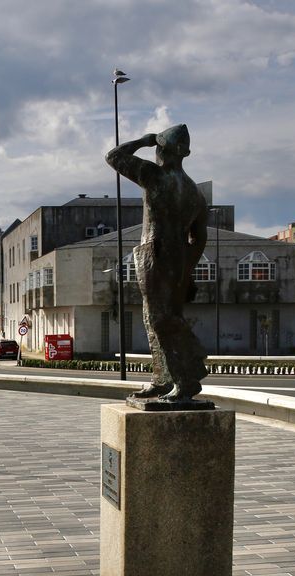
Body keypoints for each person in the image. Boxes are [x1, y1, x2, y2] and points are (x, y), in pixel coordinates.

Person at [105, 123, 209, 404]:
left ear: (162, 150)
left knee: (160, 318)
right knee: (155, 316)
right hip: (178, 255)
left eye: (158, 148)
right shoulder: (195, 193)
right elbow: (199, 238)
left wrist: (144, 140)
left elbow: (113, 156)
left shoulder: (154, 175)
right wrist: (187, 267)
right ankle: (163, 379)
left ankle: (186, 378)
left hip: (155, 250)